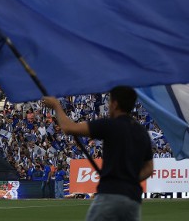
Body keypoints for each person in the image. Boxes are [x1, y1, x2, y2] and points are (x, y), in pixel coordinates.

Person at [44, 86, 153, 221]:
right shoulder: (142, 132)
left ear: (115, 104)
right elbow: (149, 168)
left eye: (109, 102)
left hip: (110, 195)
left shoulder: (110, 125)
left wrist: (56, 106)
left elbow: (69, 128)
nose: (108, 105)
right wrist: (129, 179)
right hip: (133, 198)